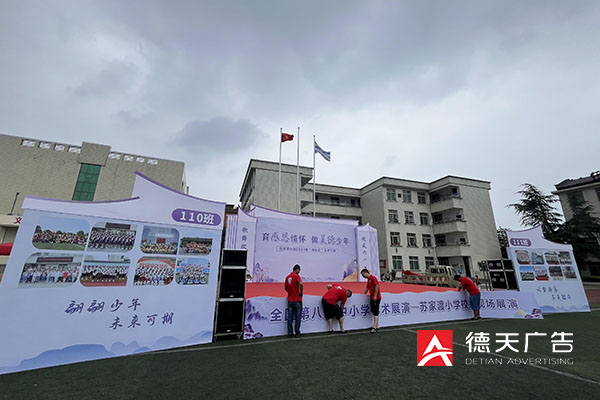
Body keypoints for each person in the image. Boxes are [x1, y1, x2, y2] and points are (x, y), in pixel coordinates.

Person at [284, 264, 303, 338]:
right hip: (297, 299)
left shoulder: (287, 277)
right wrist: (301, 292)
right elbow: (301, 284)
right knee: (298, 317)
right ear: (297, 269)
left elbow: (285, 288)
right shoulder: (296, 276)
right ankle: (297, 332)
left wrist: (290, 292)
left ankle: (290, 332)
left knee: (290, 317)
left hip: (290, 299)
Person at [361, 268, 381, 333]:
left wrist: (375, 295)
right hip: (372, 297)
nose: (363, 276)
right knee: (373, 311)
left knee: (375, 311)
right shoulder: (369, 279)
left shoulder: (373, 278)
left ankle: (374, 327)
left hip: (376, 297)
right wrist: (363, 294)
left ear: (366, 273)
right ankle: (376, 325)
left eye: (363, 275)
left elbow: (376, 286)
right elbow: (367, 288)